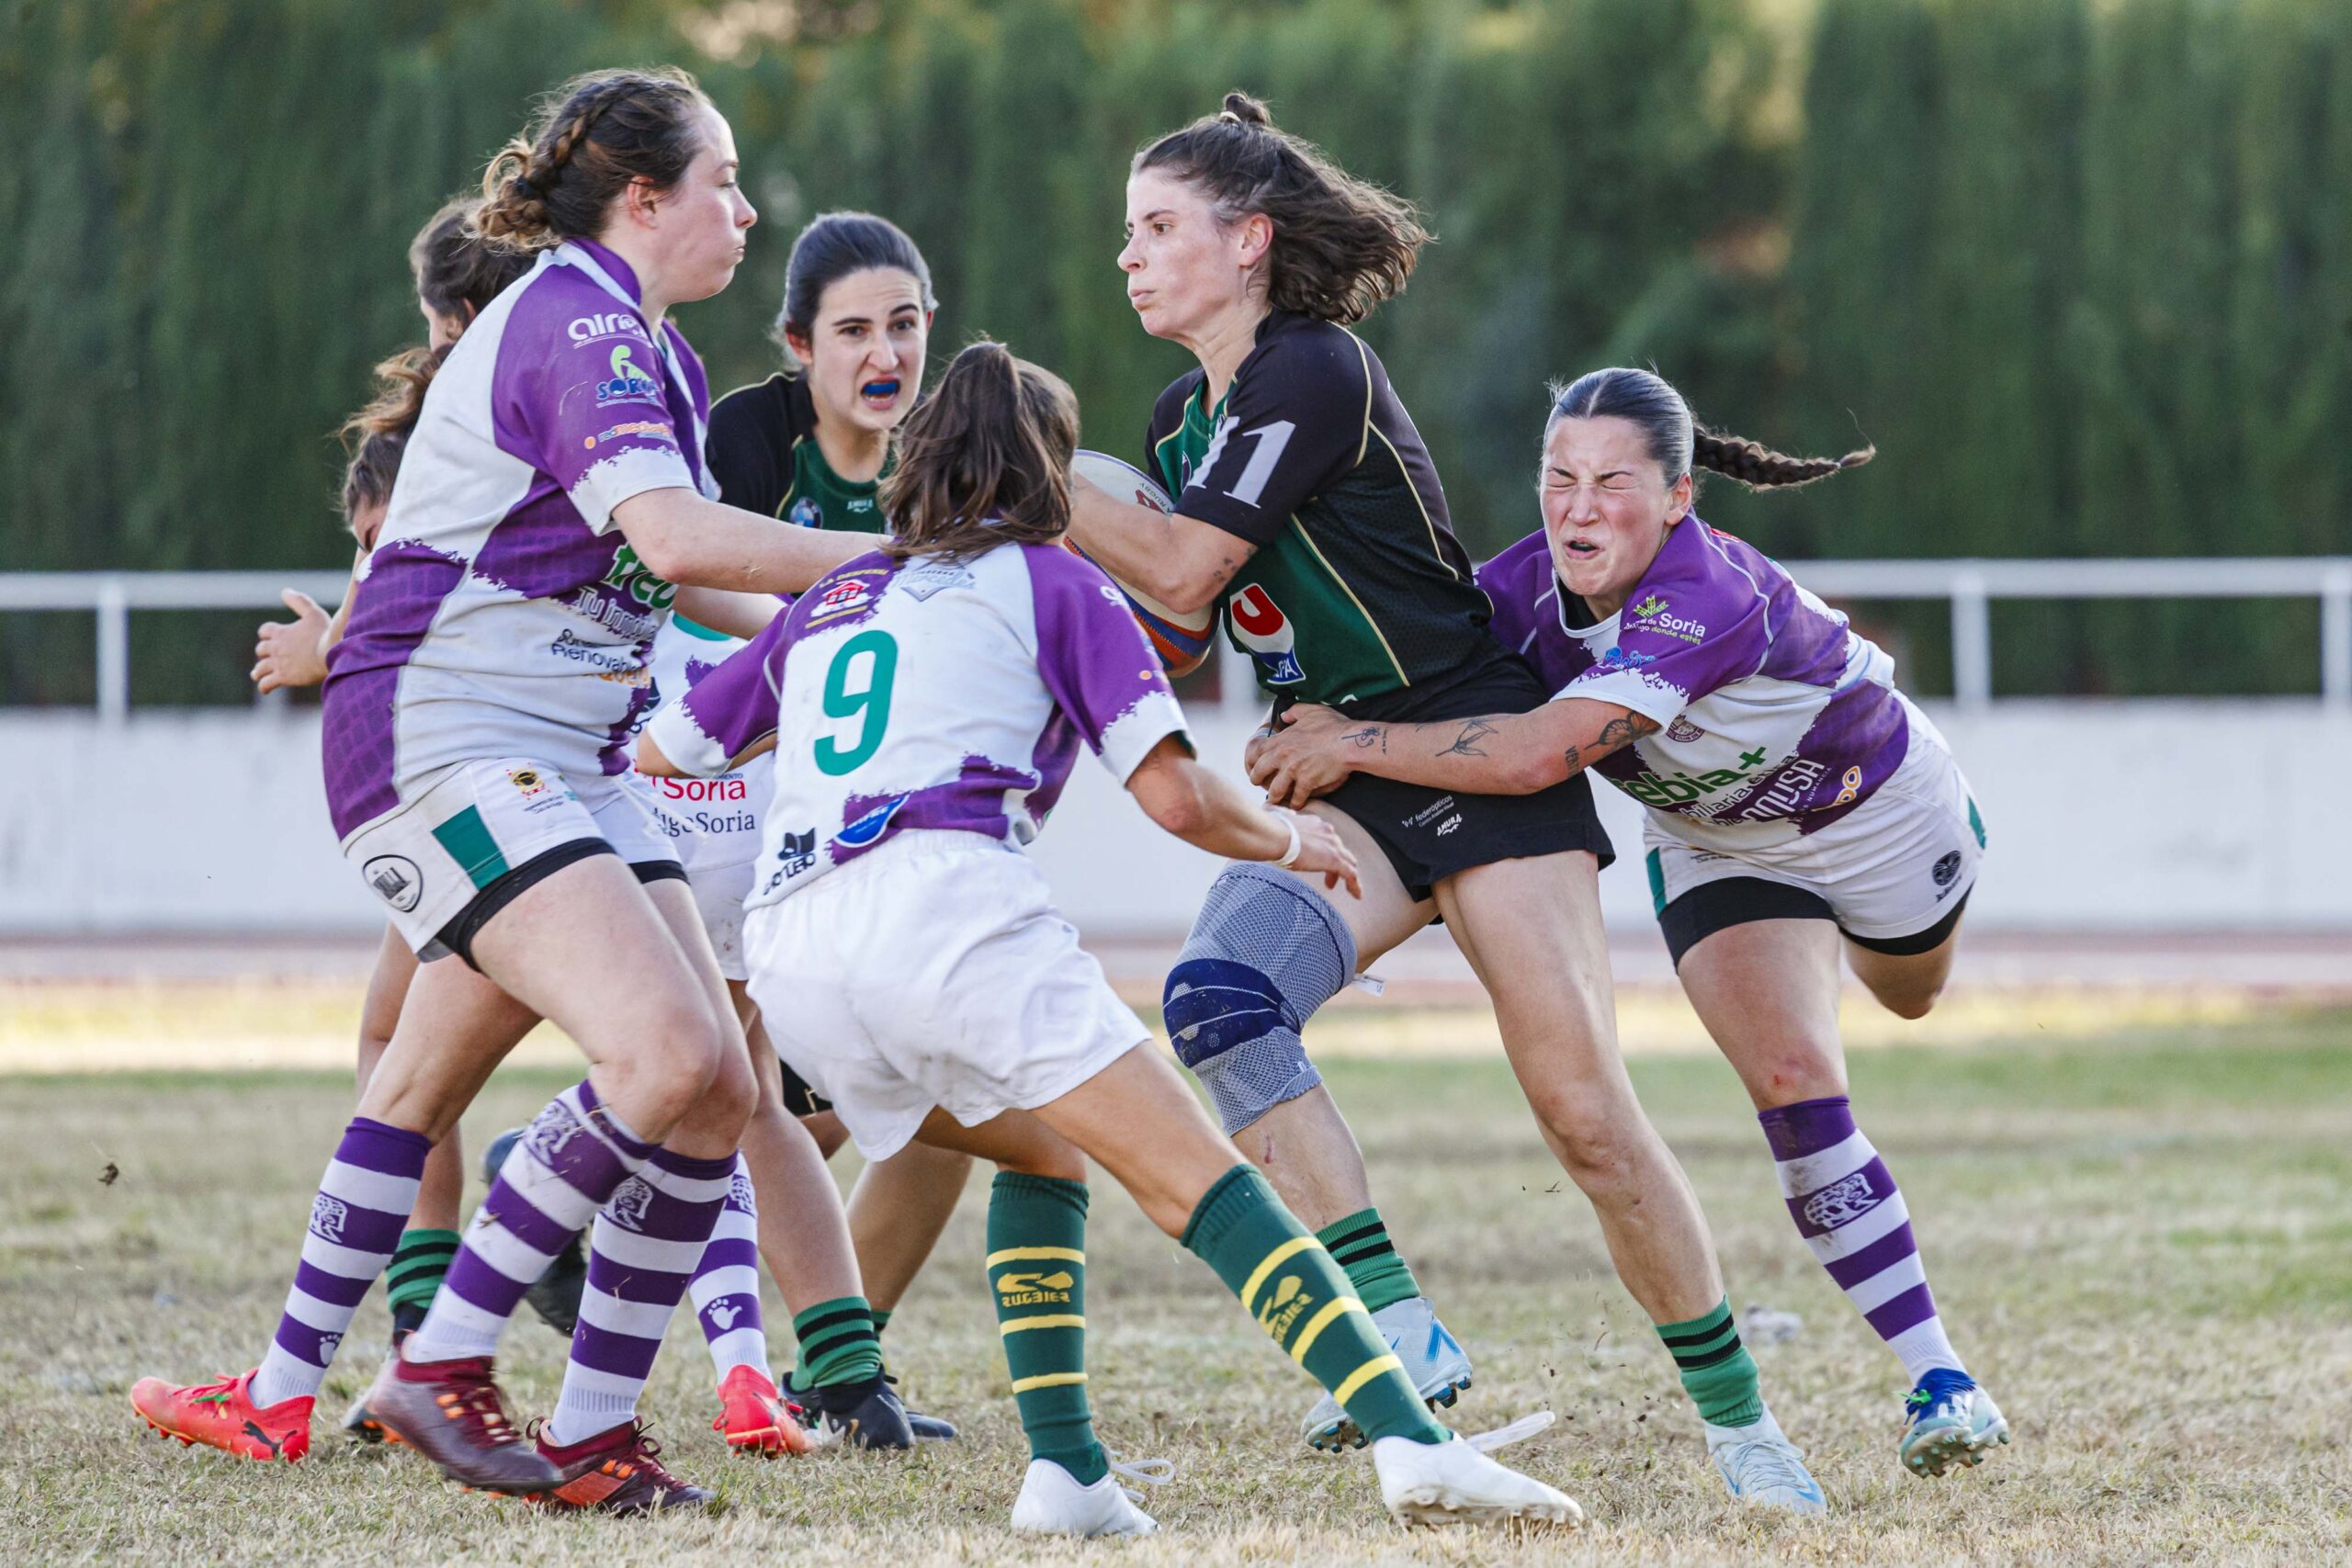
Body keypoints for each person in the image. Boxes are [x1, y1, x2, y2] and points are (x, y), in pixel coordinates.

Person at [639, 338, 1581, 1537]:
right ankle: (1414, 1441)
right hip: (950, 910)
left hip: (797, 944)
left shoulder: (836, 593)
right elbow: (1181, 796)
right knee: (1207, 1182)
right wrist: (1294, 844)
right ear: (1051, 474)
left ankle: (1069, 1476)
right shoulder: (1053, 579)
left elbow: (671, 748)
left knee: (1044, 1154)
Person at [130, 66, 881, 1511]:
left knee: (710, 1083)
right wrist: (905, 563)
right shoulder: (581, 315)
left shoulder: (648, 348)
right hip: (445, 737)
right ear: (645, 198)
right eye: (725, 179)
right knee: (664, 1056)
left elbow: (696, 580)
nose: (746, 206)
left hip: (562, 754)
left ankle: (460, 1417)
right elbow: (670, 537)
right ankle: (442, 1358)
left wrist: (878, 615)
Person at [1063, 95, 1821, 1509]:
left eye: (1158, 228)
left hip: (1461, 744)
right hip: (1340, 771)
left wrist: (1035, 480)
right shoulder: (1181, 419)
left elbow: (1175, 566)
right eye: (1129, 233)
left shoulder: (1314, 367)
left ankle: (1739, 1418)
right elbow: (1184, 613)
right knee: (1220, 1001)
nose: (1130, 257)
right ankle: (1398, 1326)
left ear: (1248, 241)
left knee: (1585, 1115)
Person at [1246, 366, 2012, 1481]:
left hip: (1877, 814)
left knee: (1908, 994)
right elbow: (1410, 675)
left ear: (1678, 498)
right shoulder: (1516, 592)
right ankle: (1943, 1381)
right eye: (1558, 479)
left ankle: (1886, 940)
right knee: (1795, 1078)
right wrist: (1304, 688)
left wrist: (1349, 745)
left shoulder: (1704, 594)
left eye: (1613, 481)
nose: (1578, 507)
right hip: (1718, 843)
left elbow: (1534, 754)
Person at [485, 211, 975, 1441]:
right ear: (800, 346)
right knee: (755, 1083)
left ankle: (574, 1184)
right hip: (700, 779)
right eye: (855, 329)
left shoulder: (943, 457)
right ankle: (833, 1376)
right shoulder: (746, 438)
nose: (887, 352)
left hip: (832, 813)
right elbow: (682, 587)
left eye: (906, 325)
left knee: (790, 1095)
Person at [244, 206, 565, 1425]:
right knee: (411, 1053)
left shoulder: (472, 420)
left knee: (410, 1060)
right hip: (509, 773)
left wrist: (334, 648)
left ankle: (429, 1330)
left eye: (439, 322)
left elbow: (423, 599)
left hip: (476, 778)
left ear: (452, 317)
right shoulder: (557, 395)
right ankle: (421, 1336)